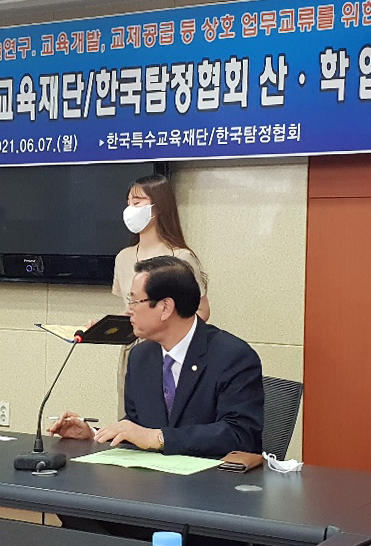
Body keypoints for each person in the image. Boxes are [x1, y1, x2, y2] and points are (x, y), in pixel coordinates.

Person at [49, 256, 263, 458]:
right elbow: (137, 428)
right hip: (153, 480)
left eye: (135, 301)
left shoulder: (233, 357)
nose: (129, 311)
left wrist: (160, 438)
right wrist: (94, 435)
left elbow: (239, 435)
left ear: (165, 307)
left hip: (212, 480)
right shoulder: (141, 356)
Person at [113, 173, 209, 414]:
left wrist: (166, 328)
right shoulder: (123, 257)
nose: (130, 209)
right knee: (132, 417)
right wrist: (107, 326)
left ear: (158, 207)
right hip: (135, 352)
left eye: (137, 203)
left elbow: (202, 310)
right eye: (128, 203)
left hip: (171, 353)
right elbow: (132, 310)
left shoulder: (180, 257)